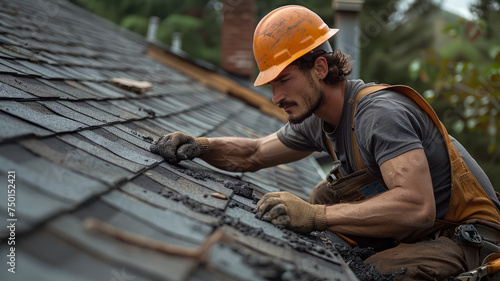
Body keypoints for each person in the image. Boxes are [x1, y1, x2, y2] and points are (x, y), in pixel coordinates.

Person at [150, 5, 500, 280]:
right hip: (423, 231)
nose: (276, 97)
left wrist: (316, 217)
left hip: (470, 240)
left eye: (284, 80)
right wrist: (201, 145)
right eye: (271, 85)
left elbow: (417, 207)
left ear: (319, 68)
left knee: (373, 271)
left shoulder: (379, 114)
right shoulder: (319, 118)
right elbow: (253, 154)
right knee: (325, 193)